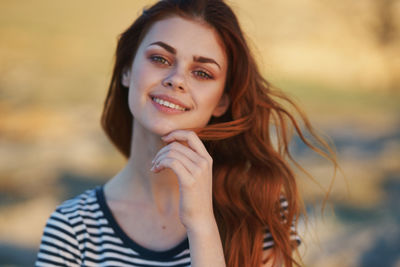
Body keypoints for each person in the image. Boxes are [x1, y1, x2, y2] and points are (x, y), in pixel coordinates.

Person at [35, 0, 337, 266]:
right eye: (160, 59)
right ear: (126, 70)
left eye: (202, 73)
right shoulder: (72, 229)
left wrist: (202, 225)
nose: (176, 79)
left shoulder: (261, 208)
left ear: (221, 101)